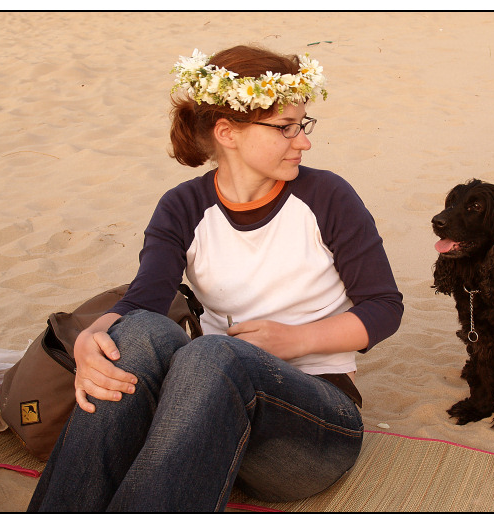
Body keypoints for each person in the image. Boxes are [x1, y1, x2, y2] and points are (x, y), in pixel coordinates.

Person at [28, 44, 403, 512]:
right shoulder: (182, 206)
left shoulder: (328, 196)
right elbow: (143, 304)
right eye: (285, 128)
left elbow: (384, 307)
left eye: (302, 125)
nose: (303, 142)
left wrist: (295, 340)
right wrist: (91, 338)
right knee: (138, 333)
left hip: (310, 430)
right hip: (202, 414)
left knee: (213, 352)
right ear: (227, 132)